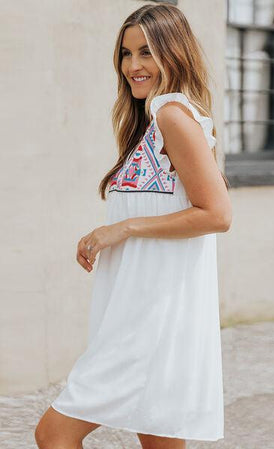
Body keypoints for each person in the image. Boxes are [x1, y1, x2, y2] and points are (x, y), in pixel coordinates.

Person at [35, 3, 232, 449]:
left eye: (146, 52)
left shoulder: (172, 115)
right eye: (126, 54)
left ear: (174, 52)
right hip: (140, 309)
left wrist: (120, 230)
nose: (134, 66)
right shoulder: (153, 121)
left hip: (150, 321)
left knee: (53, 433)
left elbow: (217, 214)